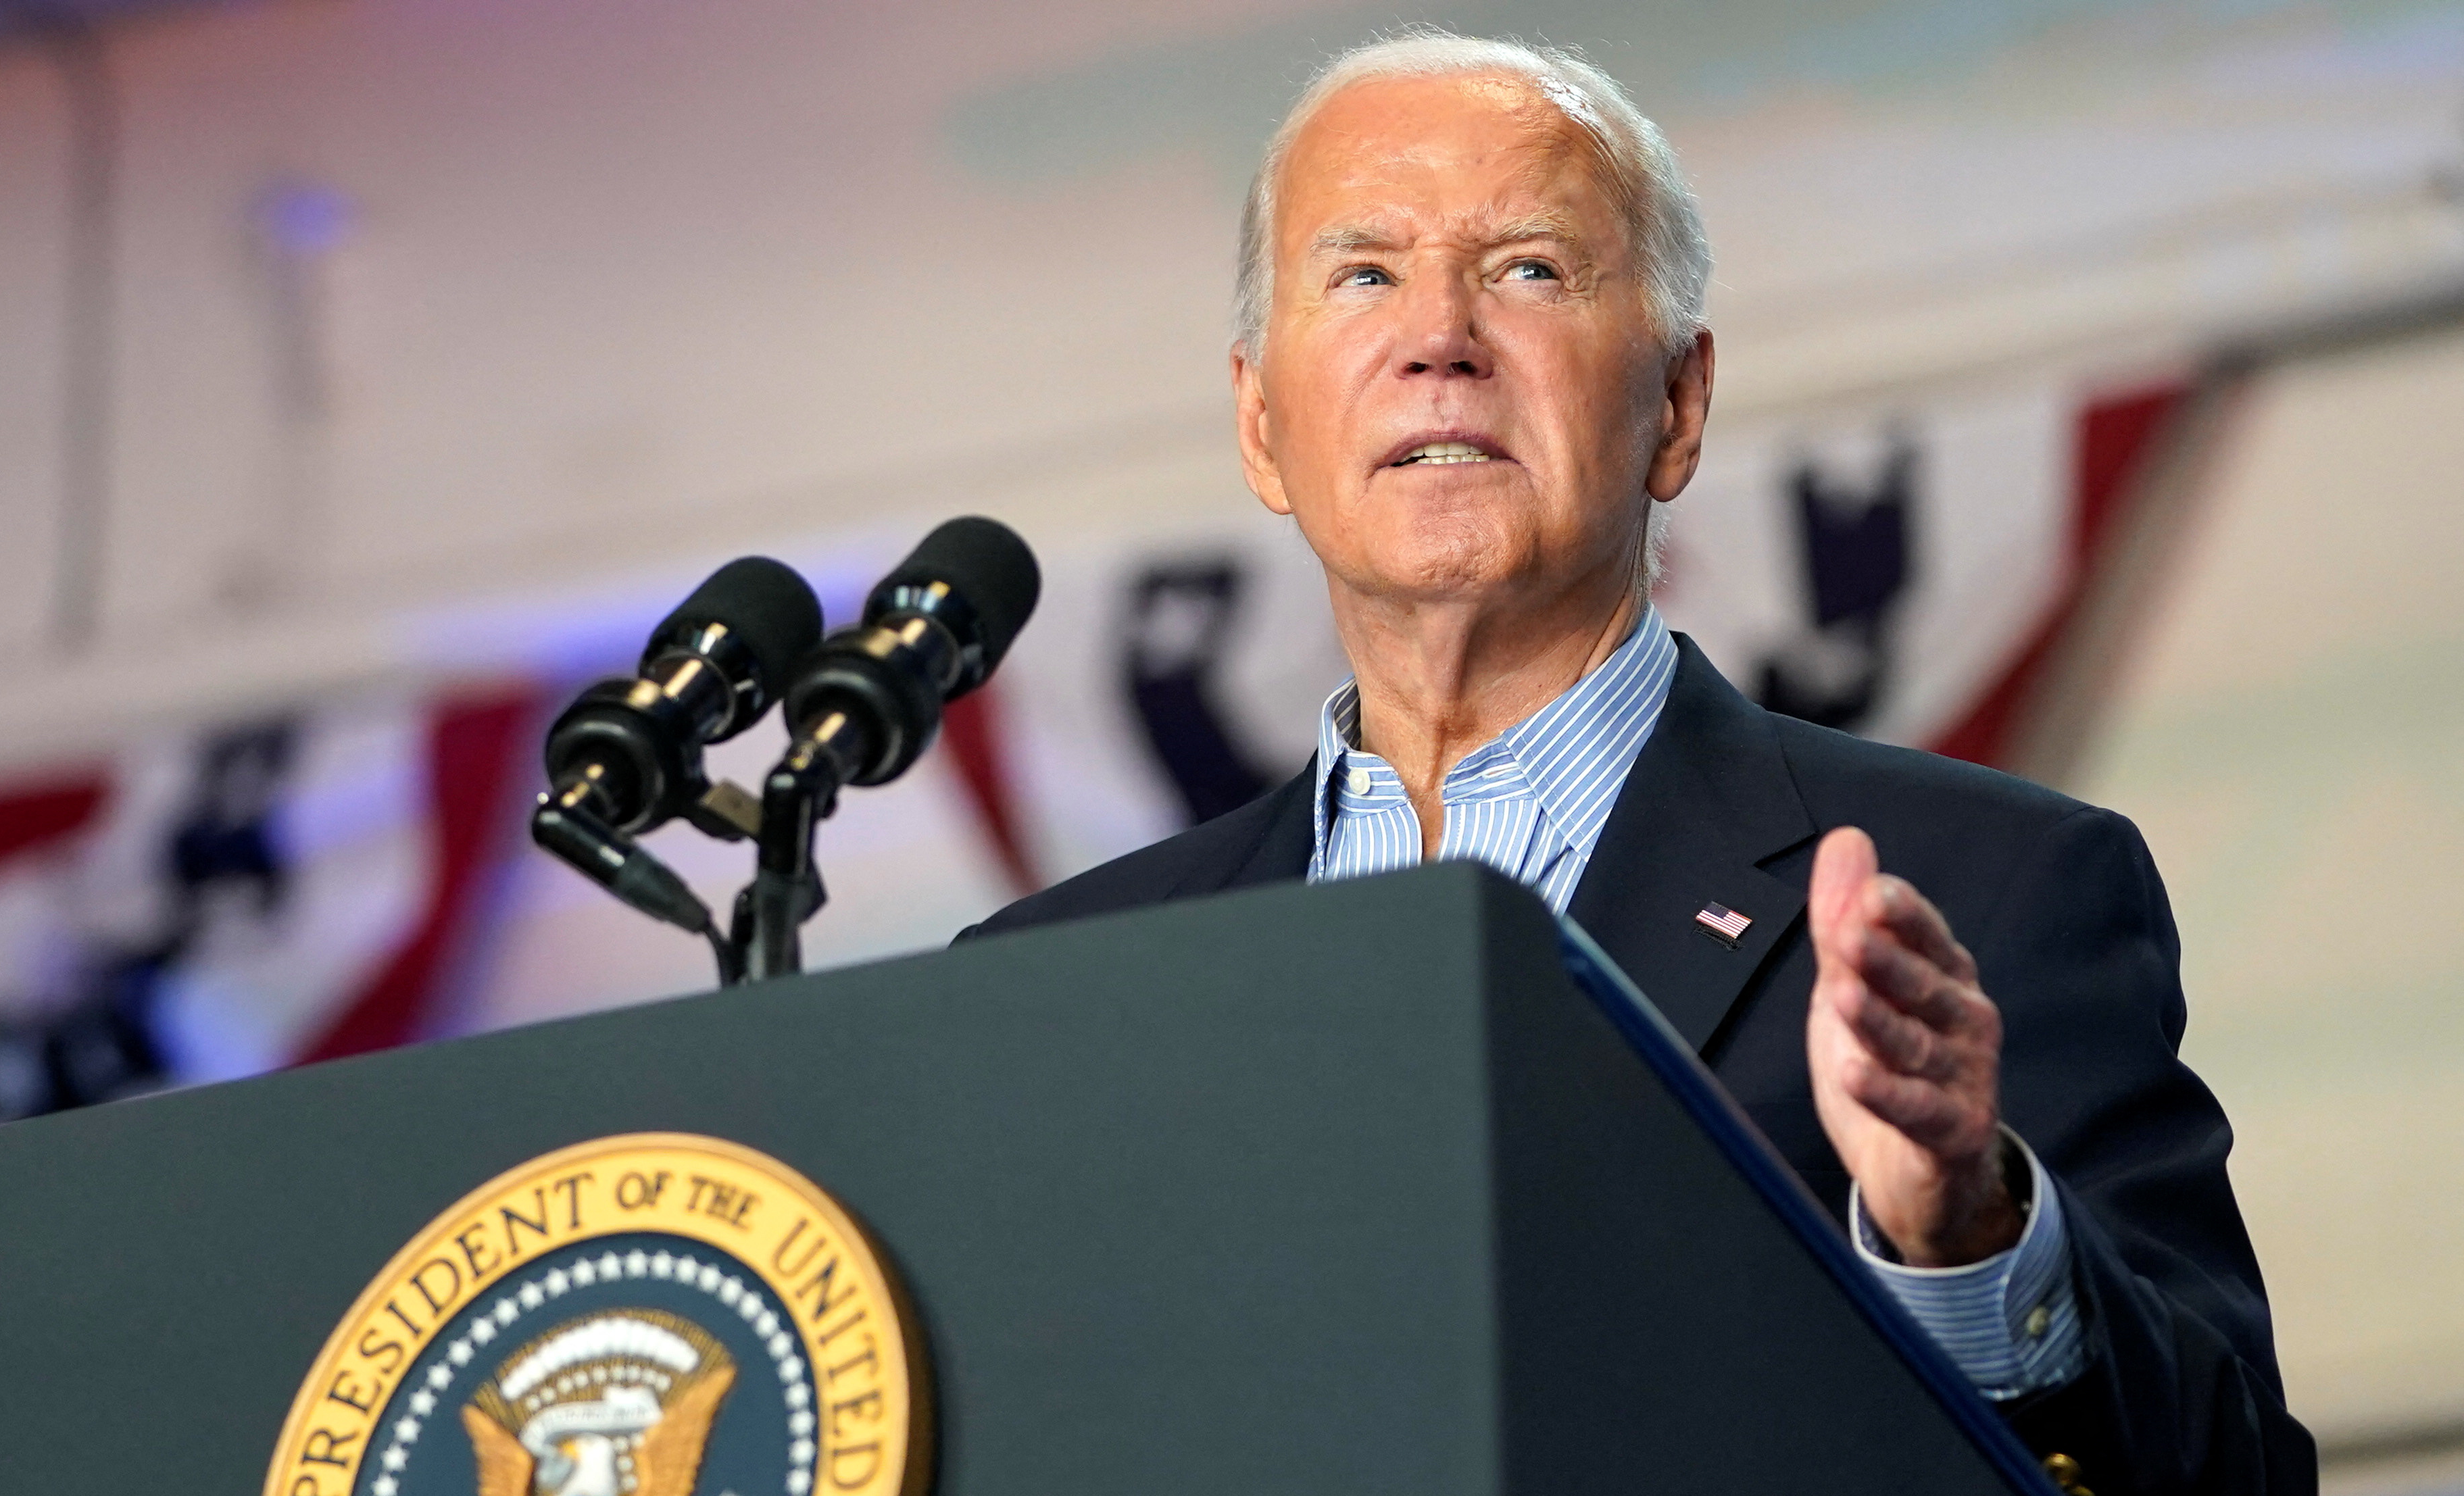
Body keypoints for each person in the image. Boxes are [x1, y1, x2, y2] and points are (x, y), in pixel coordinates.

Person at [964, 30, 2313, 1493]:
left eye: (1530, 268)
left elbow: (2228, 1481)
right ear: (1260, 422)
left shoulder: (1994, 889)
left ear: (1674, 404)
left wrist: (1974, 1232)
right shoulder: (1039, 986)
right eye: (1362, 274)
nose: (1440, 337)